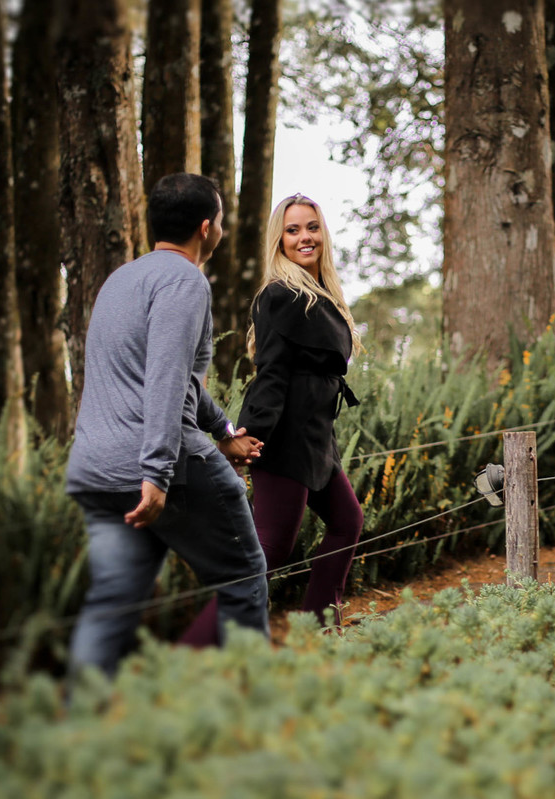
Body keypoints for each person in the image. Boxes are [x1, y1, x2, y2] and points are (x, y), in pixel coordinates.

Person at [66, 173, 270, 677]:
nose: (221, 229)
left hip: (96, 469)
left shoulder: (121, 280)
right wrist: (156, 474)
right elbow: (163, 379)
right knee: (244, 576)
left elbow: (173, 381)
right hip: (159, 469)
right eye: (220, 221)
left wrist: (225, 431)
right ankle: (253, 703)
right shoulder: (185, 281)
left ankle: (80, 713)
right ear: (205, 228)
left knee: (113, 602)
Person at [180, 193, 364, 641]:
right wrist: (247, 436)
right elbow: (272, 375)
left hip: (316, 440)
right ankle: (195, 649)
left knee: (347, 523)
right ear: (279, 240)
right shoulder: (281, 295)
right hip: (282, 440)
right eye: (293, 230)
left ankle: (320, 628)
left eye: (312, 227)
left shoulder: (321, 295)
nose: (305, 237)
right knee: (269, 552)